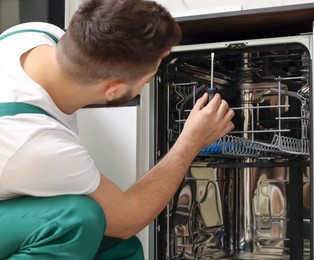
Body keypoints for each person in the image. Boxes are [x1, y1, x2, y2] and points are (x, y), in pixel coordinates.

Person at [0, 0, 234, 259]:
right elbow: (127, 219)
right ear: (113, 89)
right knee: (76, 221)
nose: (148, 84)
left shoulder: (32, 36)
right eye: (147, 80)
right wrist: (192, 140)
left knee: (120, 249)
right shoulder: (37, 144)